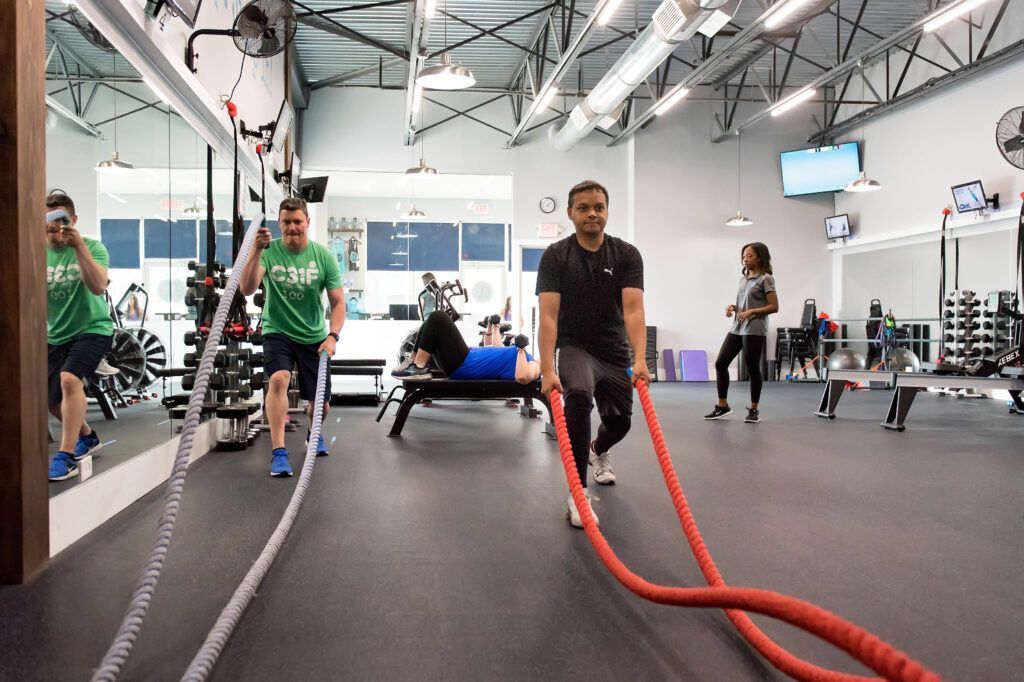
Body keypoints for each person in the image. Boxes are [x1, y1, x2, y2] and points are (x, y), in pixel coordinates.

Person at [536, 180, 649, 528]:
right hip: (575, 347)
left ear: (607, 211)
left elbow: (633, 311)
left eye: (598, 207)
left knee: (621, 422)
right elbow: (549, 316)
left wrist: (641, 359)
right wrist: (546, 368)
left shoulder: (626, 255)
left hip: (614, 350)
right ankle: (578, 492)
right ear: (570, 212)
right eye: (583, 208)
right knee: (580, 395)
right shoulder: (556, 256)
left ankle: (599, 449)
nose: (592, 214)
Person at [240, 197, 345, 477]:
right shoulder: (269, 252)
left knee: (320, 403)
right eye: (286, 222)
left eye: (298, 221)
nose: (292, 227)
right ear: (280, 224)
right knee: (278, 379)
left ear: (307, 222)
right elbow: (247, 288)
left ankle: (314, 433)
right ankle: (279, 451)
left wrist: (333, 336)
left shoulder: (323, 256)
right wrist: (254, 251)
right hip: (278, 331)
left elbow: (338, 303)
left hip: (314, 335)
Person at [45, 192, 114, 481]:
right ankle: (87, 436)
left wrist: (78, 247)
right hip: (55, 333)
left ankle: (66, 455)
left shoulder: (94, 248)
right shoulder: (35, 252)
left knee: (70, 380)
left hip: (93, 328)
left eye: (61, 223)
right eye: (48, 226)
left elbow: (98, 286)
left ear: (73, 221)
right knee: (49, 400)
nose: (55, 231)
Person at [705, 242, 779, 424]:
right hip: (737, 327)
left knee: (753, 368)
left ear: (760, 258)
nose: (745, 259)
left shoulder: (766, 279)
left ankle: (754, 410)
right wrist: (734, 307)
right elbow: (745, 305)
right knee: (721, 363)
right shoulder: (744, 279)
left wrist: (751, 312)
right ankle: (723, 406)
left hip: (754, 329)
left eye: (749, 256)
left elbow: (774, 307)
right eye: (744, 256)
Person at [391, 311, 540, 383]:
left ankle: (419, 366)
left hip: (465, 364)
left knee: (439, 317)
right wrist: (493, 326)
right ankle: (412, 362)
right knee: (430, 321)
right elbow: (495, 346)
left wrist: (521, 349)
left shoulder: (533, 364)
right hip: (466, 359)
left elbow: (522, 377)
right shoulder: (518, 356)